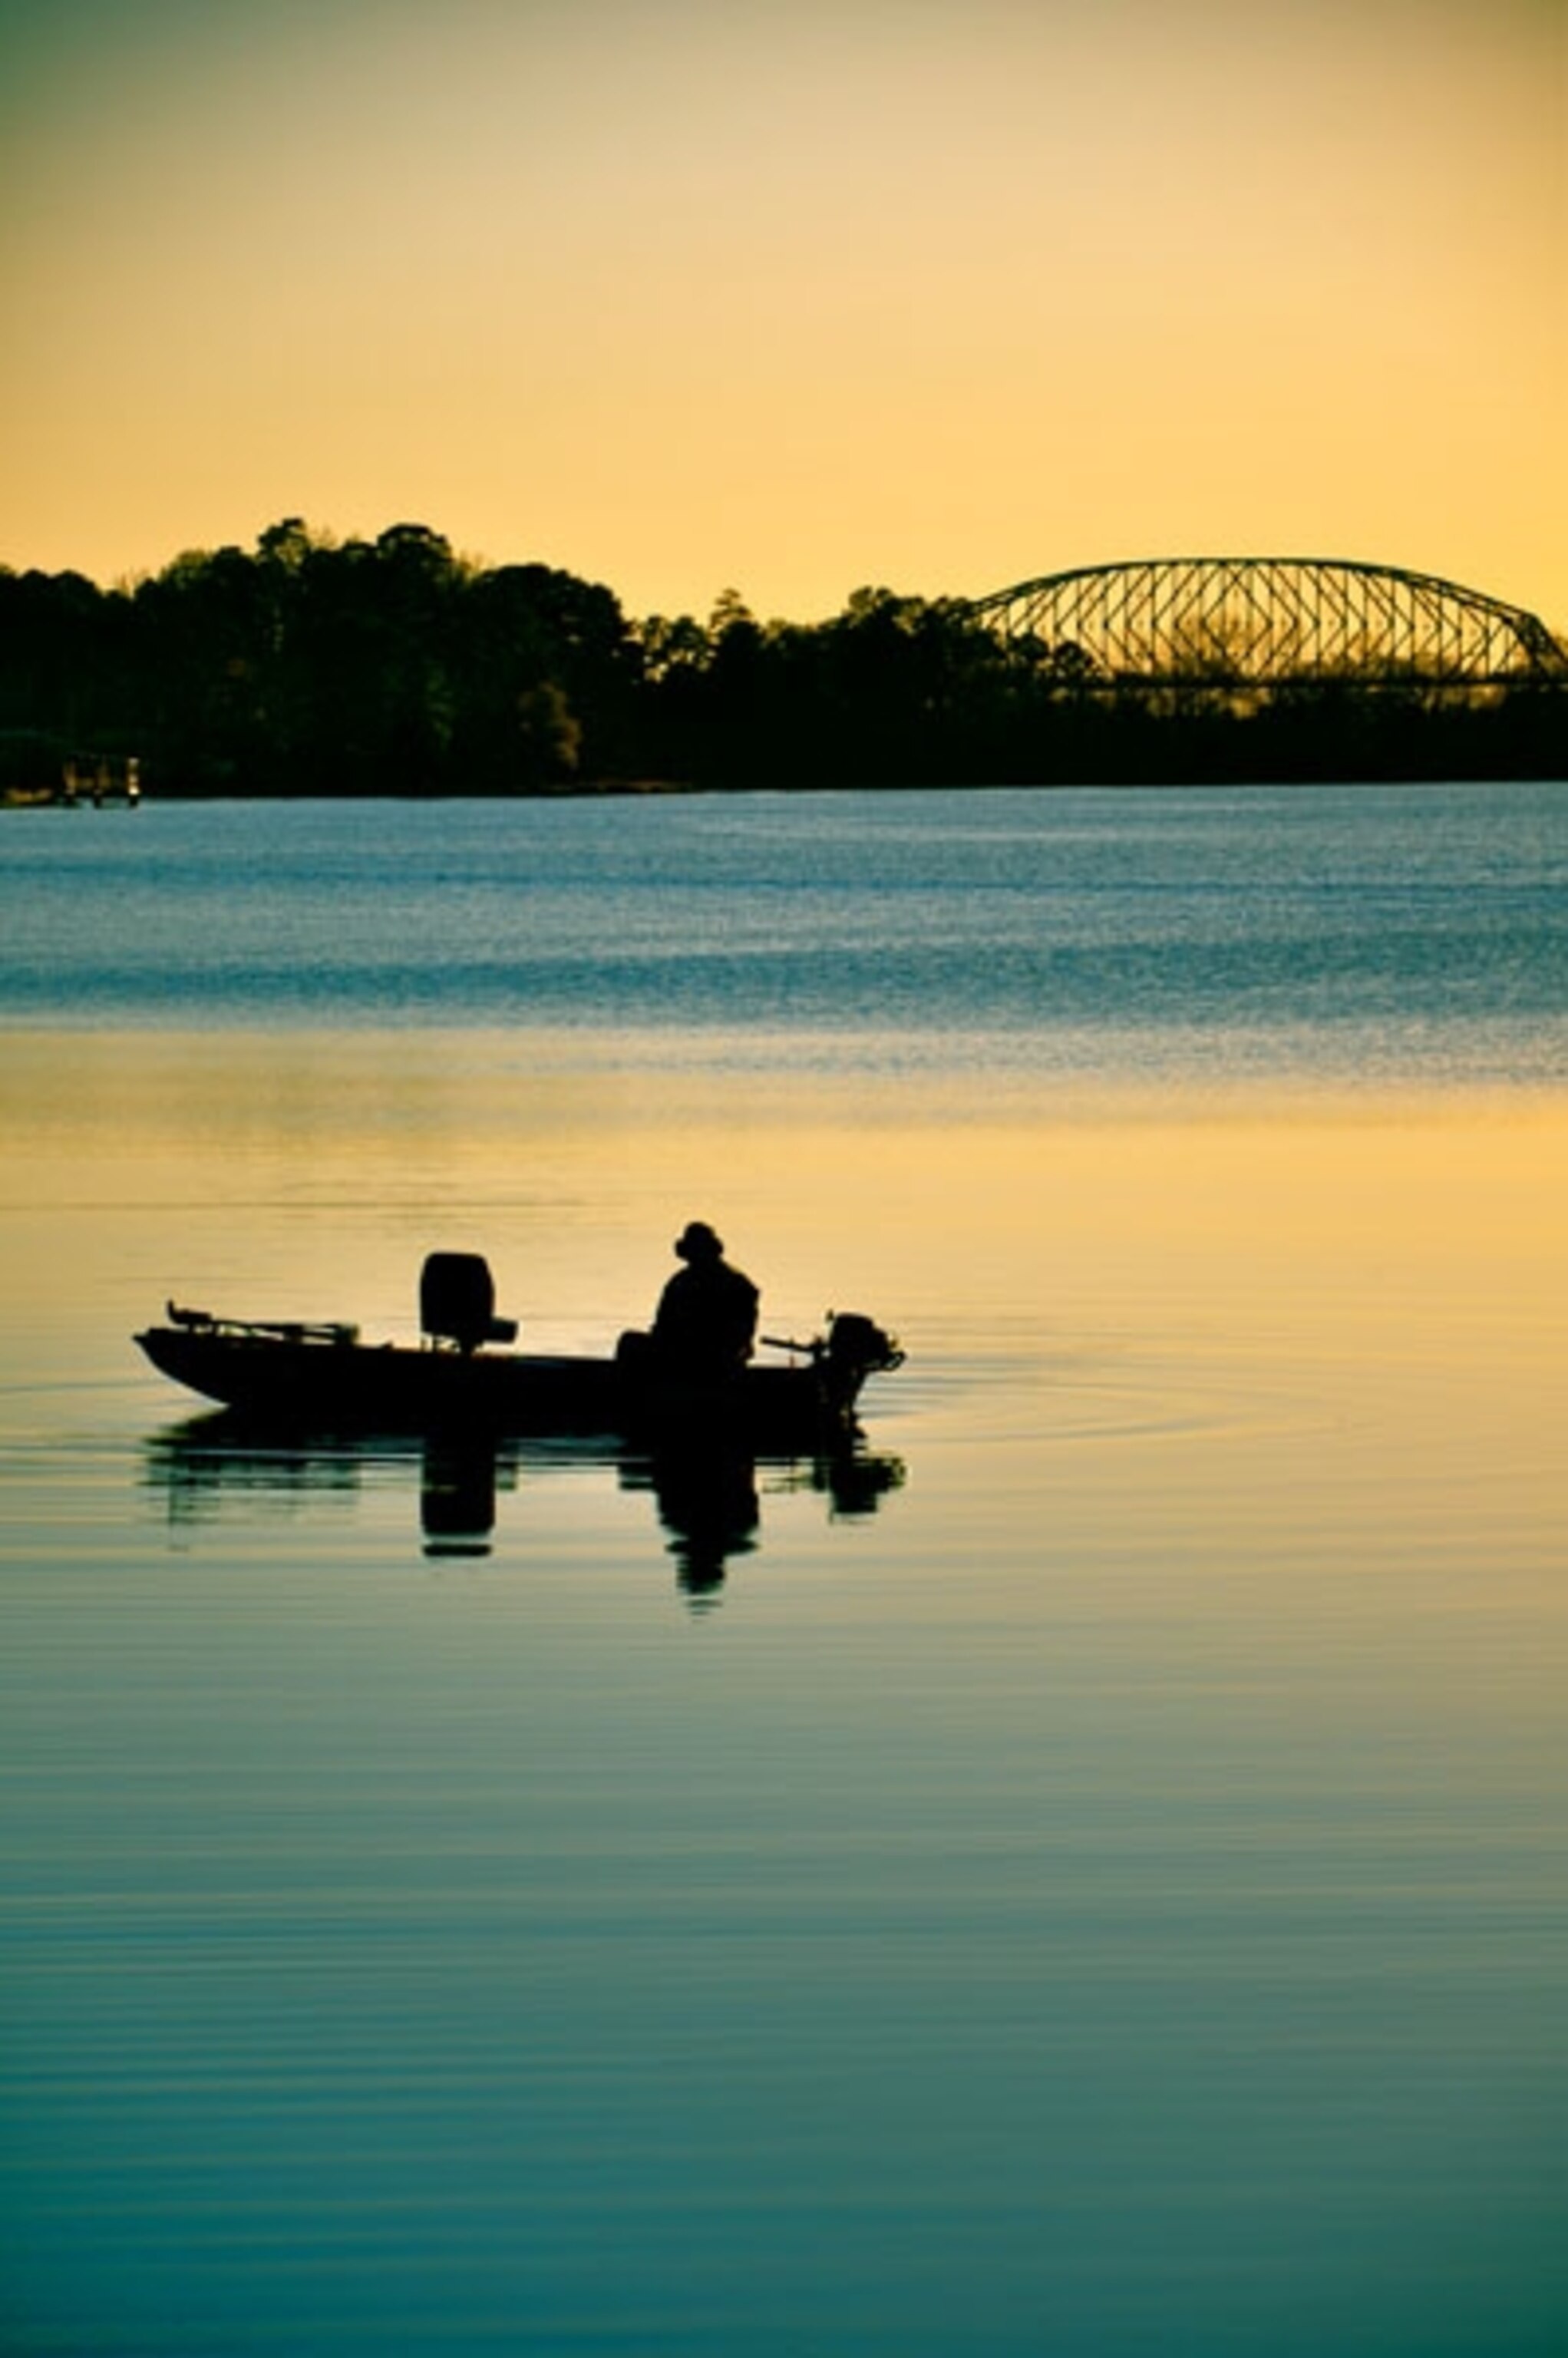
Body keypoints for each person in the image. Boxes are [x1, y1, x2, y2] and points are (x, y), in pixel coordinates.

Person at [652, 1220, 759, 1381]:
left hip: (714, 1360)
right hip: (700, 1357)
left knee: (630, 1344)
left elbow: (741, 1334)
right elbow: (663, 1326)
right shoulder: (738, 1283)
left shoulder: (682, 1282)